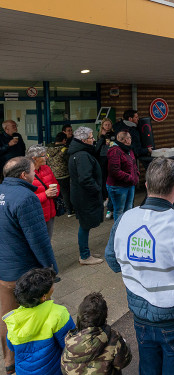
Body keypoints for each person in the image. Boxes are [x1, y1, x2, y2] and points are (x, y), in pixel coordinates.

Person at [105, 157, 174, 375]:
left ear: (146, 185)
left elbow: (113, 261)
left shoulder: (124, 219)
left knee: (148, 369)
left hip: (140, 316)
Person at [0, 157, 59, 374]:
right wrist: (51, 269)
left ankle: (9, 361)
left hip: (4, 272)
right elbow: (39, 240)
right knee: (38, 317)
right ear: (24, 175)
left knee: (7, 316)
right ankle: (38, 362)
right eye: (33, 171)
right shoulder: (27, 197)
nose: (35, 174)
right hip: (26, 274)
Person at [3, 268, 75, 375]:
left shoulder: (13, 319)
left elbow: (11, 346)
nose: (53, 286)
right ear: (44, 297)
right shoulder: (58, 313)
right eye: (51, 285)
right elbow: (70, 345)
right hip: (53, 371)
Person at [61, 292, 132, 374]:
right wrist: (125, 345)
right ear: (105, 316)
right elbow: (123, 362)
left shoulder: (70, 342)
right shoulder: (113, 338)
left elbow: (64, 369)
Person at [68, 127, 104, 266]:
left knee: (85, 225)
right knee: (85, 225)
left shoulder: (79, 152)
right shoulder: (82, 156)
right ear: (83, 140)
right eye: (91, 137)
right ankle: (84, 256)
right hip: (84, 197)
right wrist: (97, 189)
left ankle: (86, 252)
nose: (93, 139)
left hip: (81, 196)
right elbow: (85, 179)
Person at [26, 145, 60, 240]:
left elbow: (56, 184)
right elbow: (25, 198)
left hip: (50, 212)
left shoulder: (46, 168)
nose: (47, 157)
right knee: (37, 241)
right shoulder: (25, 174)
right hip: (36, 214)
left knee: (48, 239)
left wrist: (55, 192)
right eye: (44, 155)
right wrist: (45, 194)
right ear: (34, 158)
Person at [106, 130, 139, 221]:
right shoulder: (115, 151)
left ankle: (126, 228)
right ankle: (118, 231)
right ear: (125, 140)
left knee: (128, 209)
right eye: (129, 138)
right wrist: (130, 178)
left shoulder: (128, 149)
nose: (131, 139)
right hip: (118, 187)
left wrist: (136, 174)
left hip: (129, 184)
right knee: (119, 210)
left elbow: (133, 163)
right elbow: (114, 171)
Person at [47, 132, 74, 217]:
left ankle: (55, 209)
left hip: (52, 175)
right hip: (63, 175)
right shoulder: (64, 149)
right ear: (64, 140)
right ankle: (70, 211)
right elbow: (69, 162)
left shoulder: (48, 149)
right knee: (66, 193)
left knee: (54, 193)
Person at [95, 117, 116, 218]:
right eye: (105, 125)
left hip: (112, 157)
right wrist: (102, 137)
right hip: (103, 158)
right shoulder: (100, 136)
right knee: (104, 178)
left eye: (109, 124)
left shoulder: (114, 134)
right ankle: (106, 197)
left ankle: (110, 198)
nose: (107, 126)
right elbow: (97, 148)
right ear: (102, 126)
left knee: (111, 177)